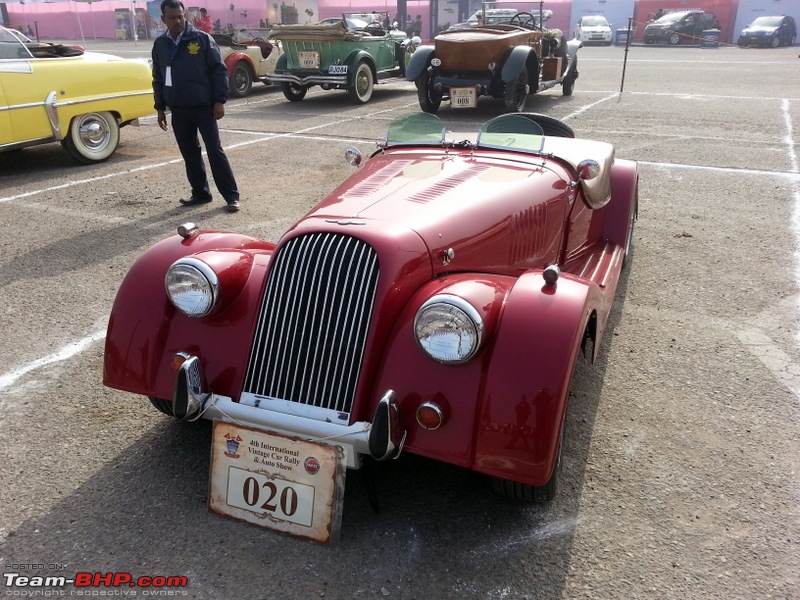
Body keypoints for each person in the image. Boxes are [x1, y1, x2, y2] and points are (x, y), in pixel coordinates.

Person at [152, 0, 240, 212]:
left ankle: (231, 196)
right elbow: (158, 77)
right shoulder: (161, 45)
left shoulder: (201, 39)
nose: (178, 21)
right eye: (172, 17)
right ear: (163, 19)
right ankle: (200, 193)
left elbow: (219, 70)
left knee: (214, 151)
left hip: (204, 107)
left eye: (181, 16)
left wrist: (219, 101)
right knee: (190, 153)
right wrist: (160, 107)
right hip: (179, 109)